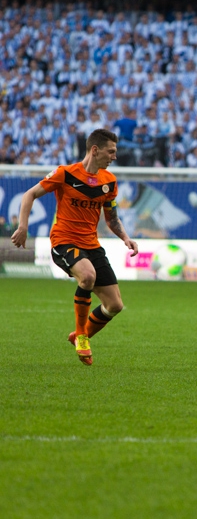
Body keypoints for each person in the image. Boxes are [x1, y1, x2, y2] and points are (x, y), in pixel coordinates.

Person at [10, 129, 138, 366]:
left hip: (92, 245)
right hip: (64, 241)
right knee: (87, 276)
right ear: (95, 150)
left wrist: (126, 238)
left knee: (115, 305)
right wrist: (23, 226)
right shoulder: (65, 174)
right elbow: (29, 195)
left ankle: (80, 335)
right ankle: (81, 336)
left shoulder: (109, 182)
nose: (115, 157)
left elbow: (111, 219)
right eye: (111, 151)